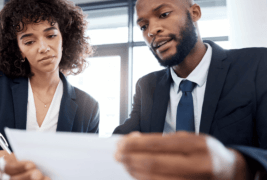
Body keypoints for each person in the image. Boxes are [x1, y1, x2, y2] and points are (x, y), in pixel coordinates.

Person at [114, 0, 267, 179]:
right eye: (143, 26)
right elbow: (119, 143)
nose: (151, 30)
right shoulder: (147, 85)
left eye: (163, 15)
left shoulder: (257, 64)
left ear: (194, 13)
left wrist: (235, 165)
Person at [0, 0, 99, 179]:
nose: (43, 48)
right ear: (19, 49)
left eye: (51, 35)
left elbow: (89, 168)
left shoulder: (89, 107)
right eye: (29, 41)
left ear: (64, 38)